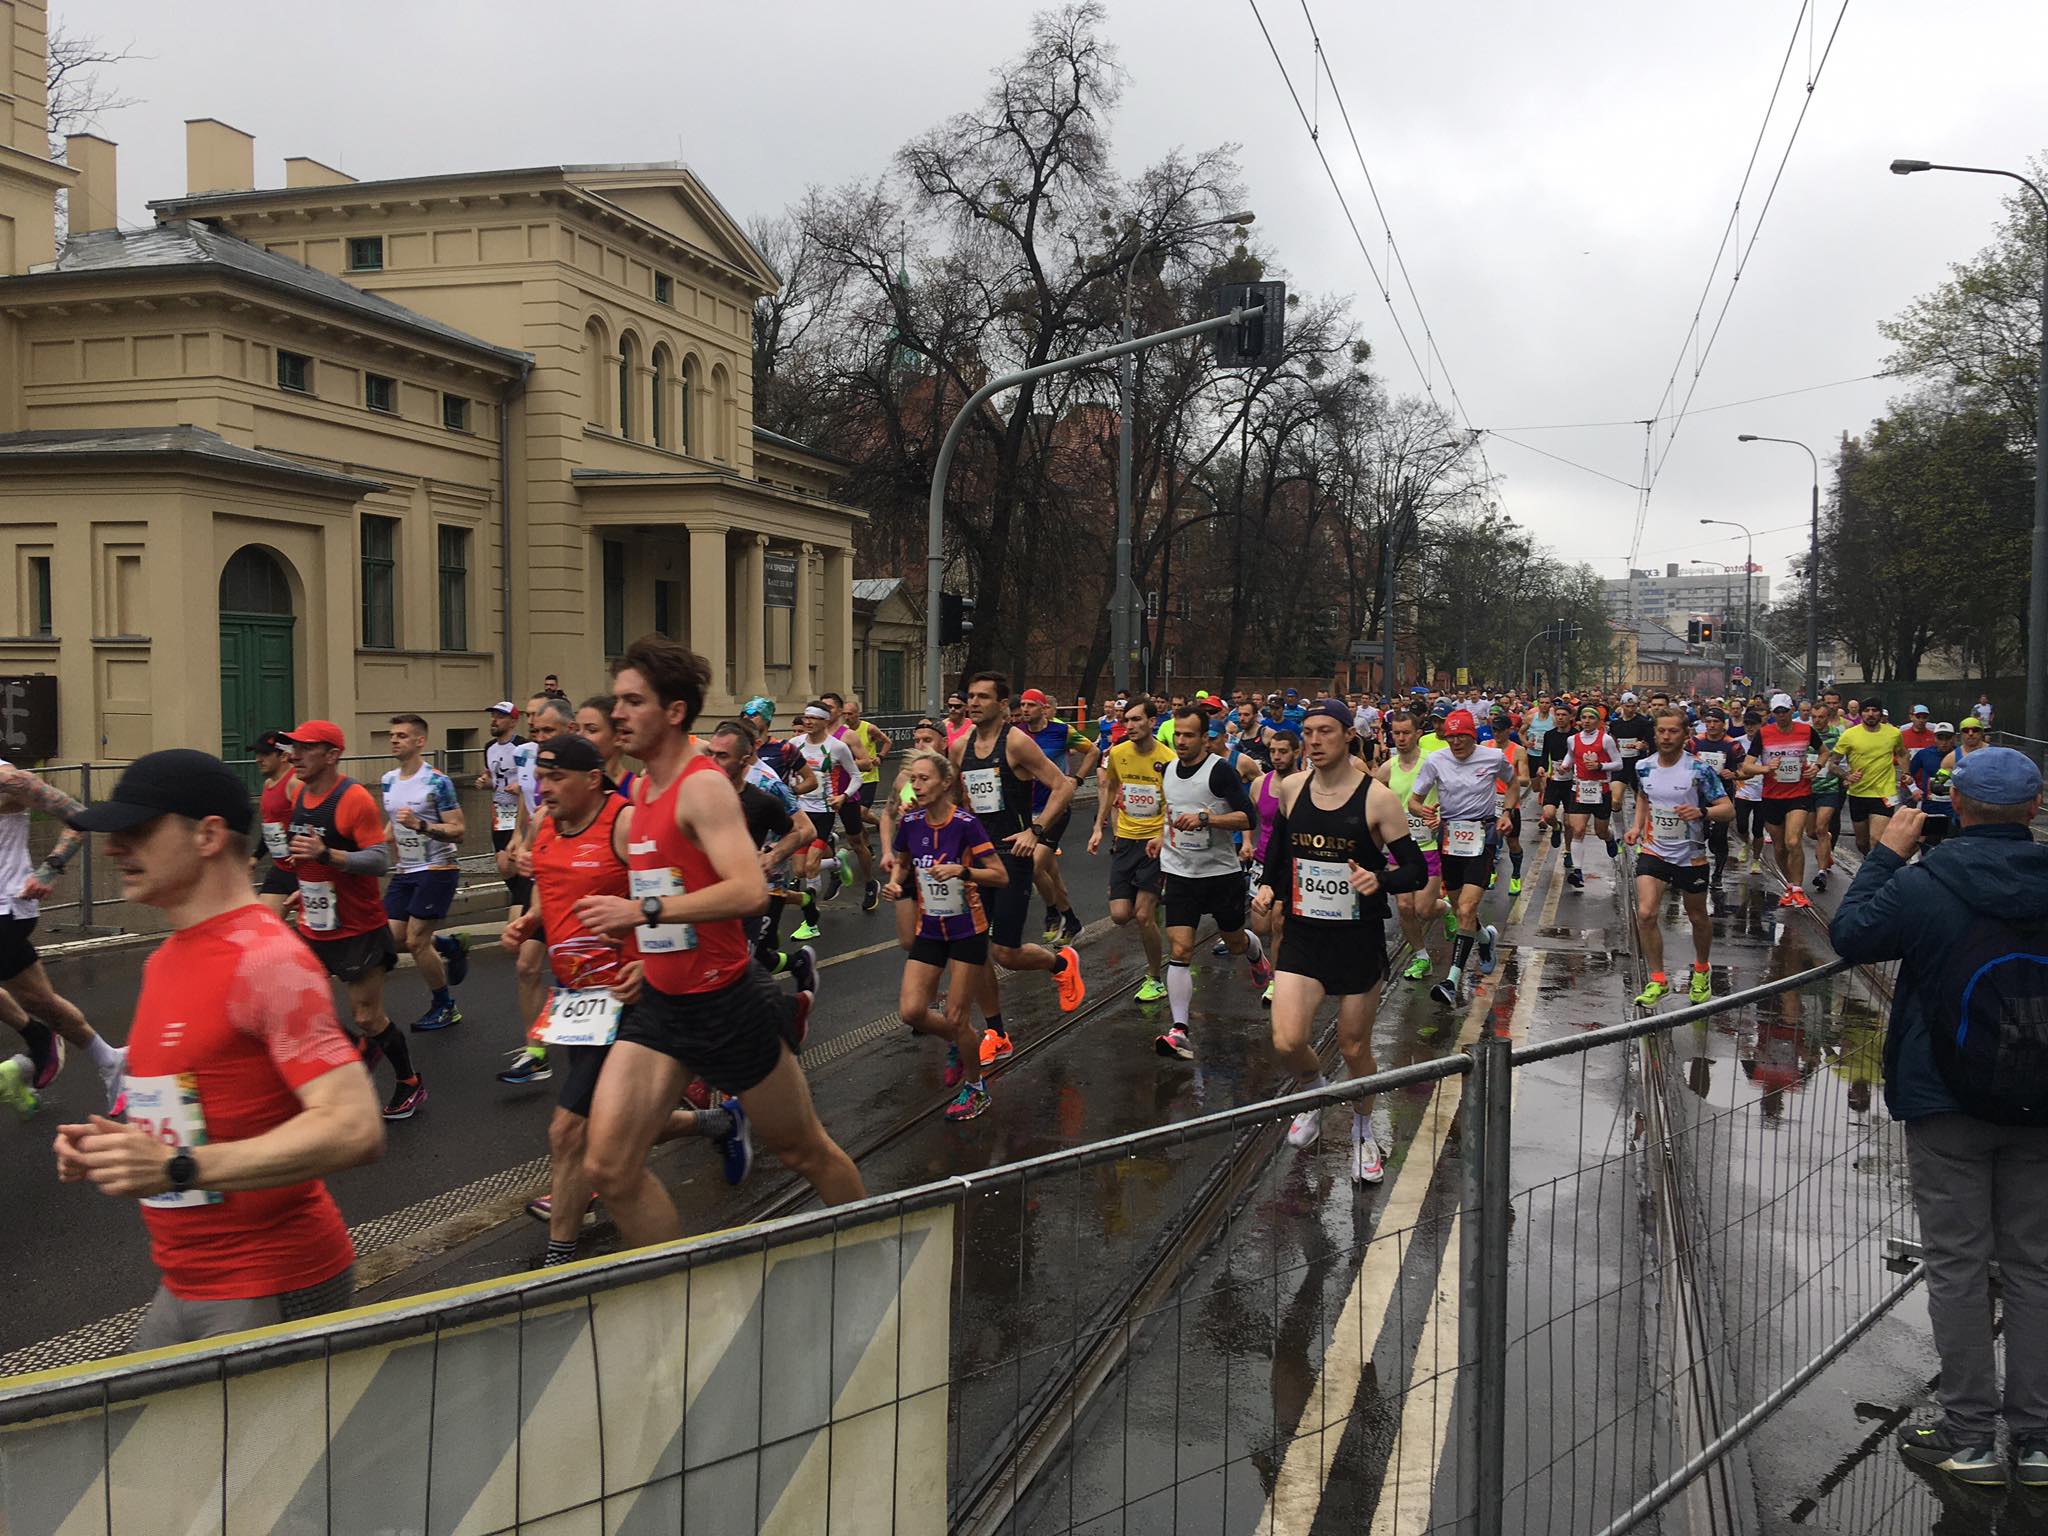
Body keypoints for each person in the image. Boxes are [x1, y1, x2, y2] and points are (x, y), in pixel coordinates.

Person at [53, 750, 384, 1348]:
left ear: (208, 834)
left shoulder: (267, 961)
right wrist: (110, 1144)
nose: (112, 848)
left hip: (272, 1281)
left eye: (137, 831)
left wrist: (179, 1168)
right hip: (186, 1282)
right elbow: (197, 1102)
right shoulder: (166, 959)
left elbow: (355, 1127)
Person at [577, 636, 861, 1247]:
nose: (618, 713)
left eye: (633, 701)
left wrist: (641, 911)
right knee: (608, 1166)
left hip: (725, 1004)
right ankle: (678, 1302)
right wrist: (640, 949)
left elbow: (747, 892)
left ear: (674, 711)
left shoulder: (701, 787)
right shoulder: (643, 788)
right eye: (617, 701)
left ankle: (881, 1249)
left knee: (802, 1151)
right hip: (660, 1001)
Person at [1829, 748, 2048, 1489]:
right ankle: (2040, 1438)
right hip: (2042, 1101)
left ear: (1955, 801)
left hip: (1944, 1096)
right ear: (2036, 804)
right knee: (2033, 1266)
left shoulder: (1926, 882)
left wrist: (1888, 854)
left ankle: (1970, 1435)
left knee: (1957, 1266)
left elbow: (1853, 934)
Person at [1252, 700, 1428, 1184]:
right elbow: (1280, 852)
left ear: (1349, 736)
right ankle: (1314, 1089)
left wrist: (1380, 880)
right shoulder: (1291, 789)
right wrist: (1269, 884)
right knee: (1287, 1040)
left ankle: (1363, 1129)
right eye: (1308, 731)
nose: (1314, 740)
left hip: (1357, 940)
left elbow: (1412, 868)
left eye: (1325, 731)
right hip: (1306, 937)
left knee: (1354, 1048)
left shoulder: (1377, 799)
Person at [281, 720, 426, 1120]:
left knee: (367, 1016)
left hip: (358, 929)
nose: (294, 756)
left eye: (305, 749)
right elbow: (311, 852)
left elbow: (379, 860)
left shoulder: (354, 798)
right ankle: (352, 1054)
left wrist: (327, 857)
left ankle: (409, 1082)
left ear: (332, 755)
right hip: (315, 923)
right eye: (292, 748)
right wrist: (305, 886)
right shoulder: (300, 794)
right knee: (292, 1002)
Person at [952, 671, 1086, 1062]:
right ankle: (996, 1031)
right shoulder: (959, 748)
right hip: (976, 857)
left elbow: (1062, 785)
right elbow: (958, 798)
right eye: (970, 697)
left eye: (982, 697)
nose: (973, 703)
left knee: (1005, 952)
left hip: (1012, 854)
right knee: (974, 951)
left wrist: (1036, 831)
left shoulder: (1017, 743)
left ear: (1002, 704)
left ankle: (1061, 962)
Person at [0, 758, 129, 1118]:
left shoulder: (10, 780)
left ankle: (39, 1044)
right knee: (42, 1002)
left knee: (39, 1003)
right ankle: (105, 1057)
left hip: (7, 910)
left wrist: (50, 868)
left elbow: (78, 817)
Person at [886, 749, 1008, 1119]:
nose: (917, 785)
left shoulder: (966, 824)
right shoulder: (911, 823)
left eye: (924, 779)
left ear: (945, 783)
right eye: (913, 779)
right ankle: (961, 1039)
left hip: (967, 929)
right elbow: (903, 864)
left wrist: (962, 871)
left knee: (956, 1015)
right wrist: (894, 883)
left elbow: (999, 875)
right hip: (930, 929)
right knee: (911, 1011)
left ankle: (976, 1087)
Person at [1153, 706, 1272, 1060]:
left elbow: (1246, 816)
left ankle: (1253, 952)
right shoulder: (1169, 769)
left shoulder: (1219, 772)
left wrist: (1207, 818)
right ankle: (1179, 1030)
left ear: (1206, 739)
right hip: (1179, 872)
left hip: (1220, 873)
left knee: (1234, 942)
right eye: (1178, 734)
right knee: (1179, 950)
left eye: (1190, 735)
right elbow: (1170, 811)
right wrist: (1160, 837)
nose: (1182, 741)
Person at [1626, 708, 1733, 1007]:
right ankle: (1658, 979)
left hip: (1691, 854)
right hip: (1654, 849)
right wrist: (1636, 827)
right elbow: (1643, 798)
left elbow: (1728, 808)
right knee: (1646, 914)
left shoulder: (1699, 770)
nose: (1666, 736)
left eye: (1673, 731)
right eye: (1661, 731)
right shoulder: (1644, 767)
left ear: (1685, 735)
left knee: (1697, 916)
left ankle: (1701, 969)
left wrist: (1703, 812)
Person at [1407, 710, 1509, 1006]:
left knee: (1466, 908)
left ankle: (1452, 980)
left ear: (1472, 736)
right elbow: (1415, 800)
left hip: (1483, 835)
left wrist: (1507, 812)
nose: (1455, 742)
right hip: (1449, 838)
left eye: (1461, 736)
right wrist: (1423, 811)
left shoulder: (1493, 758)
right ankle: (1486, 940)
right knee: (1457, 906)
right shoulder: (1436, 761)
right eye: (1450, 737)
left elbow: (1512, 784)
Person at [380, 714, 470, 1030]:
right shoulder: (388, 780)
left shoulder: (437, 782)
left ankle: (445, 1006)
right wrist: (381, 841)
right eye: (392, 735)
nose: (394, 740)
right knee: (389, 940)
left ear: (420, 742)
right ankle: (449, 945)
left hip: (438, 866)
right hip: (405, 871)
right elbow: (394, 819)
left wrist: (422, 825)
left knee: (417, 940)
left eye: (402, 735)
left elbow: (459, 829)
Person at [1092, 695, 1174, 1005]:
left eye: (1137, 719)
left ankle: (1154, 977)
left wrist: (1164, 834)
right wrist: (1099, 826)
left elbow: (1175, 801)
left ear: (1153, 722)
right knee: (1120, 915)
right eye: (1127, 720)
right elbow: (1110, 787)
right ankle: (1156, 906)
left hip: (1154, 842)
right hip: (1125, 839)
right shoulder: (1118, 752)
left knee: (1142, 916)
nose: (1130, 726)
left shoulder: (1167, 759)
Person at [1021, 688, 1096, 944]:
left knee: (1031, 867)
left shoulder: (1062, 731)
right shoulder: (1017, 735)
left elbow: (1094, 752)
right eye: (1022, 705)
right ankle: (1072, 922)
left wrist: (1077, 780)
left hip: (1054, 809)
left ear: (1043, 709)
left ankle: (1052, 912)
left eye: (1031, 705)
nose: (1025, 710)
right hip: (1026, 811)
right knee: (1050, 874)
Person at [1750, 692, 1821, 908]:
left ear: (1792, 710)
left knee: (1793, 841)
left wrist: (1817, 766)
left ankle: (1798, 889)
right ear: (1772, 713)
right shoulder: (1764, 734)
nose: (1781, 715)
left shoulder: (1806, 730)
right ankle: (1790, 885)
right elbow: (1747, 765)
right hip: (1772, 796)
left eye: (1785, 711)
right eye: (1777, 712)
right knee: (1779, 847)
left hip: (1799, 793)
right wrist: (1765, 768)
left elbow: (1824, 753)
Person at [1833, 699, 1909, 852]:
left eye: (1875, 710)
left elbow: (1902, 754)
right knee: (1862, 842)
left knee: (1877, 839)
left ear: (1880, 713)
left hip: (1885, 792)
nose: (1871, 714)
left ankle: (1876, 873)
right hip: (1858, 793)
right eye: (1867, 711)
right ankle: (1869, 861)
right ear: (1861, 714)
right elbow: (1832, 763)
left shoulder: (1893, 733)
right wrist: (1846, 776)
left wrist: (1906, 773)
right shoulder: (1850, 735)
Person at [251, 731, 300, 914]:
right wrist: (255, 856)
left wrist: (299, 850)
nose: (258, 759)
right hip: (281, 869)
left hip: (304, 871)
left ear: (285, 756)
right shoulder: (268, 785)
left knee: (318, 935)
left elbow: (308, 821)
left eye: (264, 754)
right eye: (257, 754)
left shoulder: (295, 783)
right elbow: (270, 826)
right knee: (263, 928)